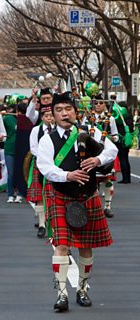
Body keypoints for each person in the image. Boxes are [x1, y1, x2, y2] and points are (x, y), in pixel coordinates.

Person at [37, 92, 117, 312]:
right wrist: (67, 175)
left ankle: (82, 289)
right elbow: (45, 167)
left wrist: (98, 159)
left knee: (86, 247)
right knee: (61, 246)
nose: (64, 113)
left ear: (75, 112)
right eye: (59, 110)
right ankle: (62, 293)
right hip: (61, 197)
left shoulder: (90, 132)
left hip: (88, 197)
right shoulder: (47, 140)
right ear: (52, 115)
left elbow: (112, 149)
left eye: (68, 109)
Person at [26, 104, 55, 238]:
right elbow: (34, 149)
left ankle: (53, 223)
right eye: (46, 116)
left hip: (57, 165)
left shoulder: (59, 130)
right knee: (39, 197)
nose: (49, 118)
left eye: (51, 116)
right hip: (41, 164)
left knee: (54, 194)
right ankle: (42, 224)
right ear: (42, 117)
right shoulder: (36, 130)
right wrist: (45, 159)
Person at [2, 102, 17, 203]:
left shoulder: (24, 118)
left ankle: (20, 194)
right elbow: (0, 128)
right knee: (11, 173)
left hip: (21, 148)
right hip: (10, 149)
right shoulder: (7, 118)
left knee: (20, 173)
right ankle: (10, 194)